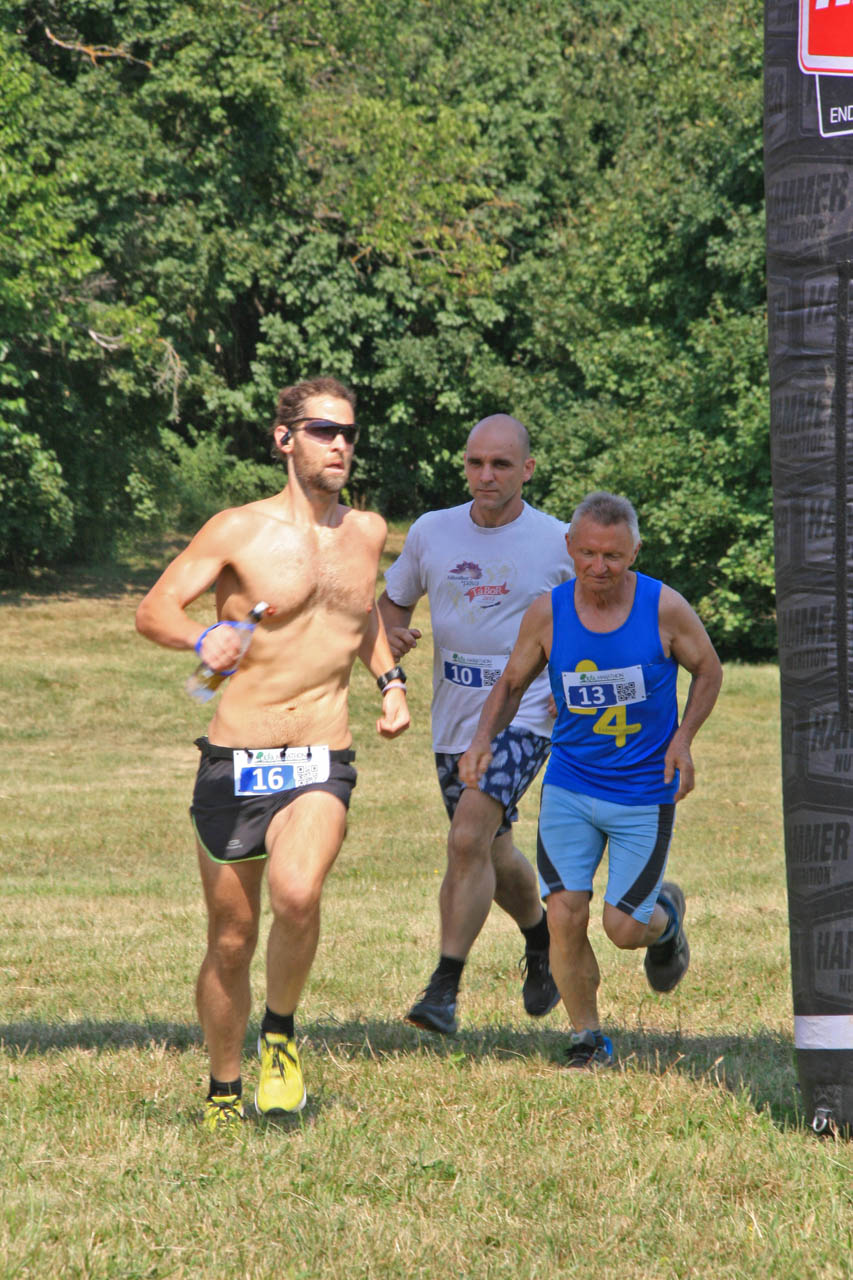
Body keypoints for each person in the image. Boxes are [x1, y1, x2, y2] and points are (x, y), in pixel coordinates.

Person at [135, 376, 410, 1128]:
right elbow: (153, 610)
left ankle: (280, 1033)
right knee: (230, 940)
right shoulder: (237, 529)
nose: (340, 445)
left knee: (296, 893)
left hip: (322, 752)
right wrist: (202, 637)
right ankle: (224, 1089)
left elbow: (359, 615)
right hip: (237, 758)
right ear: (285, 438)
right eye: (324, 431)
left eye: (349, 433)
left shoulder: (367, 531)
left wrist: (389, 681)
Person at [458, 491, 722, 1067]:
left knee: (623, 928)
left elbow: (708, 669)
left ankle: (666, 921)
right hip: (571, 787)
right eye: (588, 554)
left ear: (635, 552)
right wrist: (481, 741)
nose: (599, 567)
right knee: (563, 914)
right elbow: (511, 684)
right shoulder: (548, 613)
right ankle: (588, 1038)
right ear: (570, 547)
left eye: (614, 556)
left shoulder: (664, 608)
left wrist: (683, 740)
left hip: (643, 792)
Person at [378, 414, 573, 1035]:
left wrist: (581, 679)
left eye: (501, 464)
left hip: (527, 712)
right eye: (475, 463)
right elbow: (391, 606)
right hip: (454, 717)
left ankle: (444, 987)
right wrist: (391, 640)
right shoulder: (432, 532)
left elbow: (602, 612)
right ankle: (541, 940)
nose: (486, 475)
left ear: (528, 470)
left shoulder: (559, 542)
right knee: (491, 846)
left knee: (466, 838)